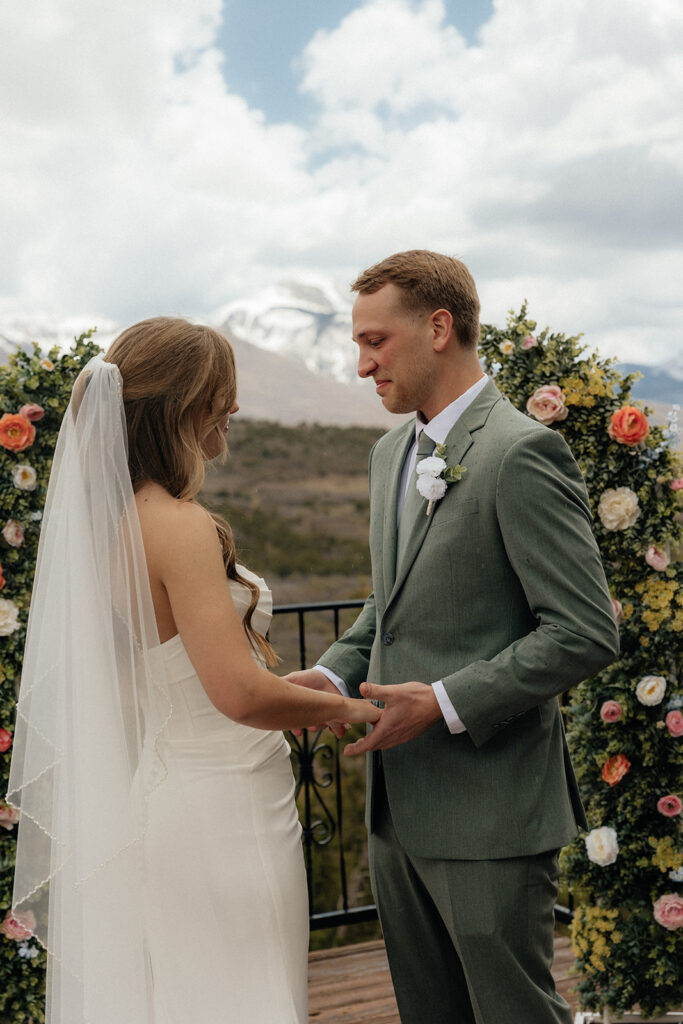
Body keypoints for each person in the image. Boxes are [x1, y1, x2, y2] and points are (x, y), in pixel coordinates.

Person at [7, 318, 380, 1024]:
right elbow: (237, 692)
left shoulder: (108, 527)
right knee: (246, 997)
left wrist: (298, 689)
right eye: (222, 393)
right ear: (185, 403)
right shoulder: (176, 524)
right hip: (224, 808)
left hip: (168, 791)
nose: (233, 408)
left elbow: (158, 678)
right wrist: (352, 710)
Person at [287, 251, 619, 1024]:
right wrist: (333, 677)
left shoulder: (520, 452)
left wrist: (441, 701)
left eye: (375, 341)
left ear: (438, 328)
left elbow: (582, 630)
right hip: (396, 813)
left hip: (490, 812)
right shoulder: (386, 454)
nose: (362, 363)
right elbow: (392, 604)